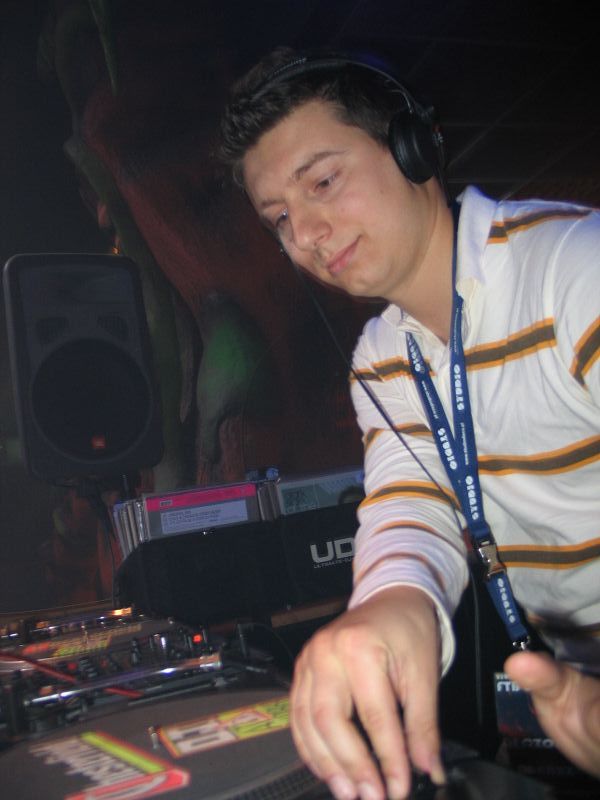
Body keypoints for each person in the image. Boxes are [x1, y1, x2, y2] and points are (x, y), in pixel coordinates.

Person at [220, 46, 600, 799]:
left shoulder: (574, 266)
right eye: (280, 218)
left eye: (323, 182)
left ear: (413, 147)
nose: (306, 233)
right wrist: (393, 603)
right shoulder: (381, 357)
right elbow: (411, 506)